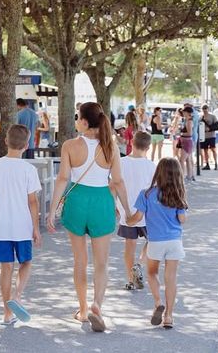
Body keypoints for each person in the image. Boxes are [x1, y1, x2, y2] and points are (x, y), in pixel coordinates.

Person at [47, 102, 130, 333]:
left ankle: (82, 310)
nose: (75, 121)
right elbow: (118, 181)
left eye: (77, 117)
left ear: (84, 122)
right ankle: (97, 305)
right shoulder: (110, 146)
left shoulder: (70, 146)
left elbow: (63, 178)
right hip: (102, 202)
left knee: (80, 261)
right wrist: (128, 211)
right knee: (101, 263)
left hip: (77, 201)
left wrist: (52, 210)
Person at [0, 124, 42, 326]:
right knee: (26, 262)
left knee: (6, 267)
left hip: (1, 225)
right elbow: (32, 202)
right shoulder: (29, 169)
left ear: (6, 141)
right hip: (22, 225)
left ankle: (7, 314)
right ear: (27, 145)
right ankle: (17, 296)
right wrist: (36, 228)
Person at [126, 157, 188, 330]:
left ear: (158, 172)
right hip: (174, 241)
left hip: (155, 242)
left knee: (152, 273)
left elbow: (137, 218)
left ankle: (158, 302)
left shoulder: (147, 193)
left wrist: (127, 220)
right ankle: (169, 316)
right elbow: (182, 219)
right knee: (171, 278)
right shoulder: (177, 194)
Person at [116, 131, 155, 290]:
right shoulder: (151, 166)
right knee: (152, 241)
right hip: (146, 212)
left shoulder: (120, 162)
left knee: (129, 246)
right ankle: (139, 264)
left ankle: (130, 279)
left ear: (131, 142)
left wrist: (115, 206)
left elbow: (114, 185)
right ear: (148, 147)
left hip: (127, 211)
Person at [178, 107, 195, 181]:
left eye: (184, 112)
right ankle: (189, 175)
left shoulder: (189, 121)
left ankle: (183, 176)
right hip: (186, 141)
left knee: (182, 160)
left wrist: (181, 133)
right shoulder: (187, 120)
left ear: (188, 113)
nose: (183, 113)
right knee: (188, 160)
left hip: (186, 141)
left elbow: (189, 133)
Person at [200, 105, 218, 170]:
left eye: (205, 108)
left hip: (211, 136)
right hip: (204, 136)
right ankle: (207, 164)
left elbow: (217, 126)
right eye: (203, 108)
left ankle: (216, 163)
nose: (204, 110)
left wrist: (210, 129)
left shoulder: (212, 116)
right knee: (205, 150)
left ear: (208, 109)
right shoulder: (201, 118)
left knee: (213, 149)